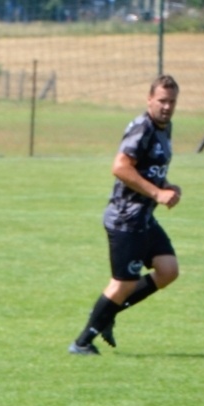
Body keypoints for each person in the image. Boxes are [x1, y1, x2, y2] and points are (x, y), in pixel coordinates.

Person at [70, 76, 181, 356]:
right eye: (162, 100)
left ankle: (108, 313)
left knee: (168, 270)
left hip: (144, 217)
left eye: (172, 101)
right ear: (149, 100)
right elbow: (120, 167)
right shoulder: (142, 128)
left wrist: (165, 186)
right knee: (123, 283)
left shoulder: (164, 129)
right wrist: (157, 194)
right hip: (126, 219)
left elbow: (147, 168)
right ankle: (82, 342)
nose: (167, 107)